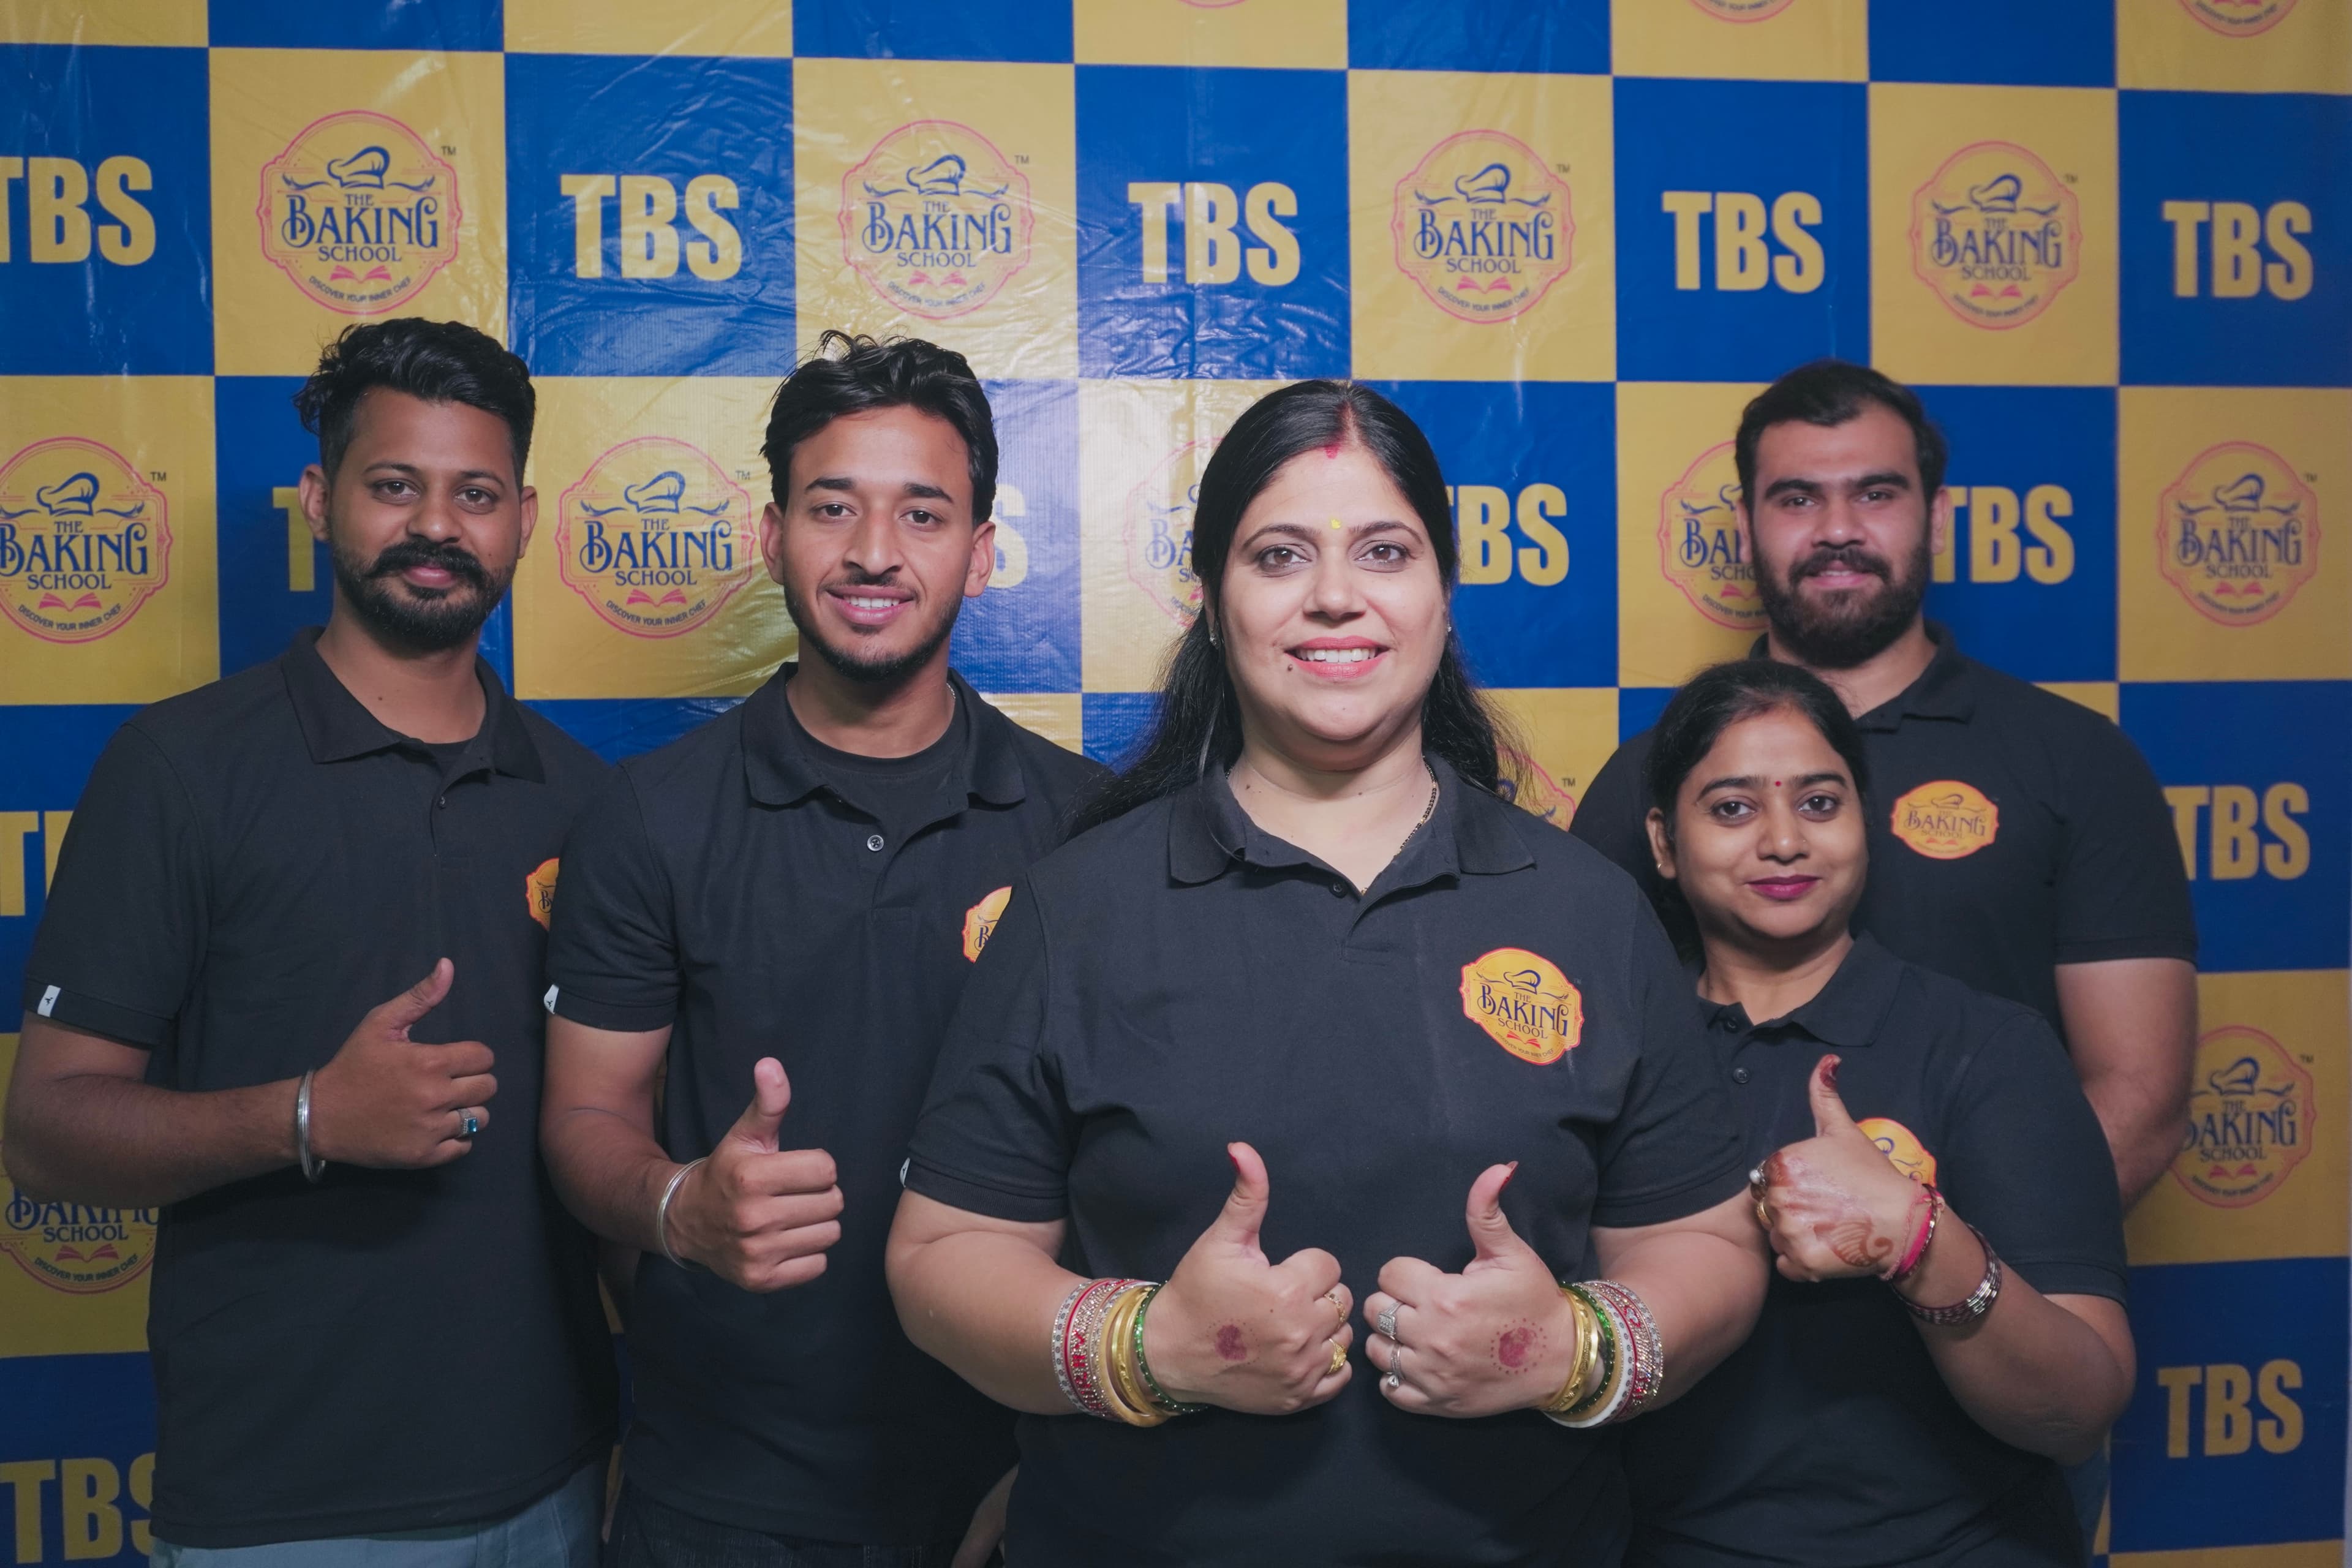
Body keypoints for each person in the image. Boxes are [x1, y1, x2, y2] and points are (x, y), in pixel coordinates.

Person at [887, 379, 1770, 1565]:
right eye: (1280, 553)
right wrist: (1145, 1343)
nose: (1337, 595)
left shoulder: (1588, 908)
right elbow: (940, 1256)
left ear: (1445, 597)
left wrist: (1572, 1344)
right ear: (1210, 600)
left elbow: (1710, 1244)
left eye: (1386, 550)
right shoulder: (1076, 905)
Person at [2, 320, 616, 1563]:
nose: (437, 524)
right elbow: (44, 1130)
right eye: (395, 485)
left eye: (475, 493)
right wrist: (306, 1115)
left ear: (525, 518)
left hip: (556, 1479)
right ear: (317, 499)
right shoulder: (179, 770)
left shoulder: (588, 798)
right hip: (284, 1508)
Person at [538, 332, 1106, 1568]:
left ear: (984, 549)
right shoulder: (651, 816)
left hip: (1016, 1481)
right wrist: (682, 1205)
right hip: (723, 1498)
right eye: (831, 505)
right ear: (771, 533)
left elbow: (1129, 1161)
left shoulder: (1085, 828)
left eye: (922, 511)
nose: (871, 551)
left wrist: (1055, 1459)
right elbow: (585, 1118)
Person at [1572, 360, 2195, 1212]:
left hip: (1982, 1314)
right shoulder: (1654, 777)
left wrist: (1939, 1275)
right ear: (1746, 529)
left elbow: (2140, 1099)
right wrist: (1711, 1276)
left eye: (1875, 494)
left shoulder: (2076, 761)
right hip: (1709, 1312)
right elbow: (1578, 1075)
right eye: (1796, 499)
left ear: (1935, 515)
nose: (1837, 529)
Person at [1618, 659, 2135, 1567]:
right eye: (1733, 808)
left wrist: (1923, 1241)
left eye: (1820, 803)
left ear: (1867, 816)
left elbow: (2079, 1409)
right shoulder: (1615, 1052)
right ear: (1664, 842)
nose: (1784, 842)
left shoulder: (1985, 1048)